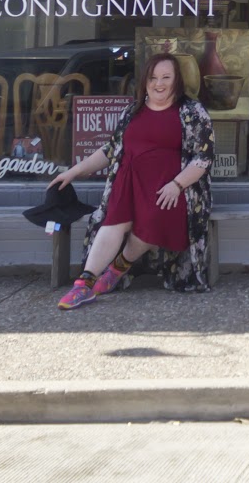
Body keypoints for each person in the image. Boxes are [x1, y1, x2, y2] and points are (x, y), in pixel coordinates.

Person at [47, 51, 215, 309]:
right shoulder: (132, 111)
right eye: (153, 77)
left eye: (166, 77)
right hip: (129, 183)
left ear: (177, 80)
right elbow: (110, 150)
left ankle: (118, 267)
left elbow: (203, 158)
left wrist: (177, 184)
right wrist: (74, 172)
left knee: (155, 217)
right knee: (114, 223)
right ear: (145, 81)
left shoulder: (192, 111)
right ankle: (84, 285)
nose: (159, 83)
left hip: (171, 187)